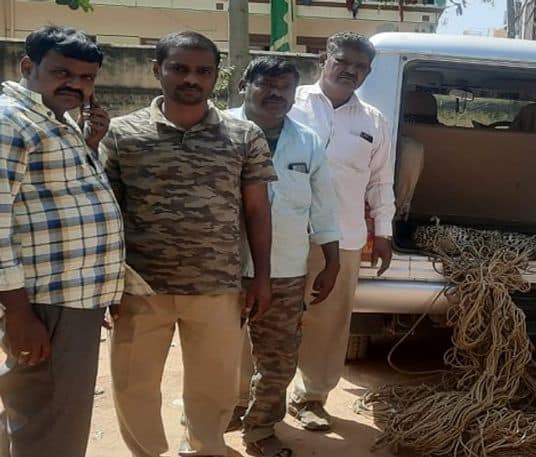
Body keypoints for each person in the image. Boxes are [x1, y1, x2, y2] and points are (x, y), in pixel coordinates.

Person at [101, 31, 276, 457]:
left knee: (213, 386)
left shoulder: (243, 135)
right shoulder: (122, 135)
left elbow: (257, 211)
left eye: (203, 71)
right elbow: (108, 215)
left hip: (218, 285)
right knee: (133, 384)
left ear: (216, 76)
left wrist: (261, 277)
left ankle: (204, 449)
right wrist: (107, 283)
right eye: (179, 68)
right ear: (157, 69)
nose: (191, 79)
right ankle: (145, 451)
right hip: (140, 287)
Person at [0, 26, 125, 457]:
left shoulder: (54, 120)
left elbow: (56, 195)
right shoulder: (9, 122)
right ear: (28, 67)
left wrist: (89, 144)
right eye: (62, 72)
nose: (75, 84)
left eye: (87, 78)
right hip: (43, 302)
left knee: (35, 412)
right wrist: (18, 315)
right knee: (53, 424)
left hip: (69, 298)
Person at [226, 56, 341, 457]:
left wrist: (332, 261)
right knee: (214, 353)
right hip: (220, 269)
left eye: (285, 87)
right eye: (267, 84)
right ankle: (212, 421)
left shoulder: (307, 140)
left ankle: (259, 429)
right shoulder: (217, 130)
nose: (276, 94)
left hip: (286, 269)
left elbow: (324, 206)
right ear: (245, 85)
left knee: (278, 360)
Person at [287, 31, 395, 431]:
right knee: (259, 316)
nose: (351, 71)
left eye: (360, 67)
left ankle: (311, 397)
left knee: (329, 324)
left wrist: (382, 231)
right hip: (280, 234)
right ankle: (243, 397)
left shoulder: (374, 122)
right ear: (323, 58)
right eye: (343, 62)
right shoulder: (287, 101)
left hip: (344, 238)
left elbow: (381, 181)